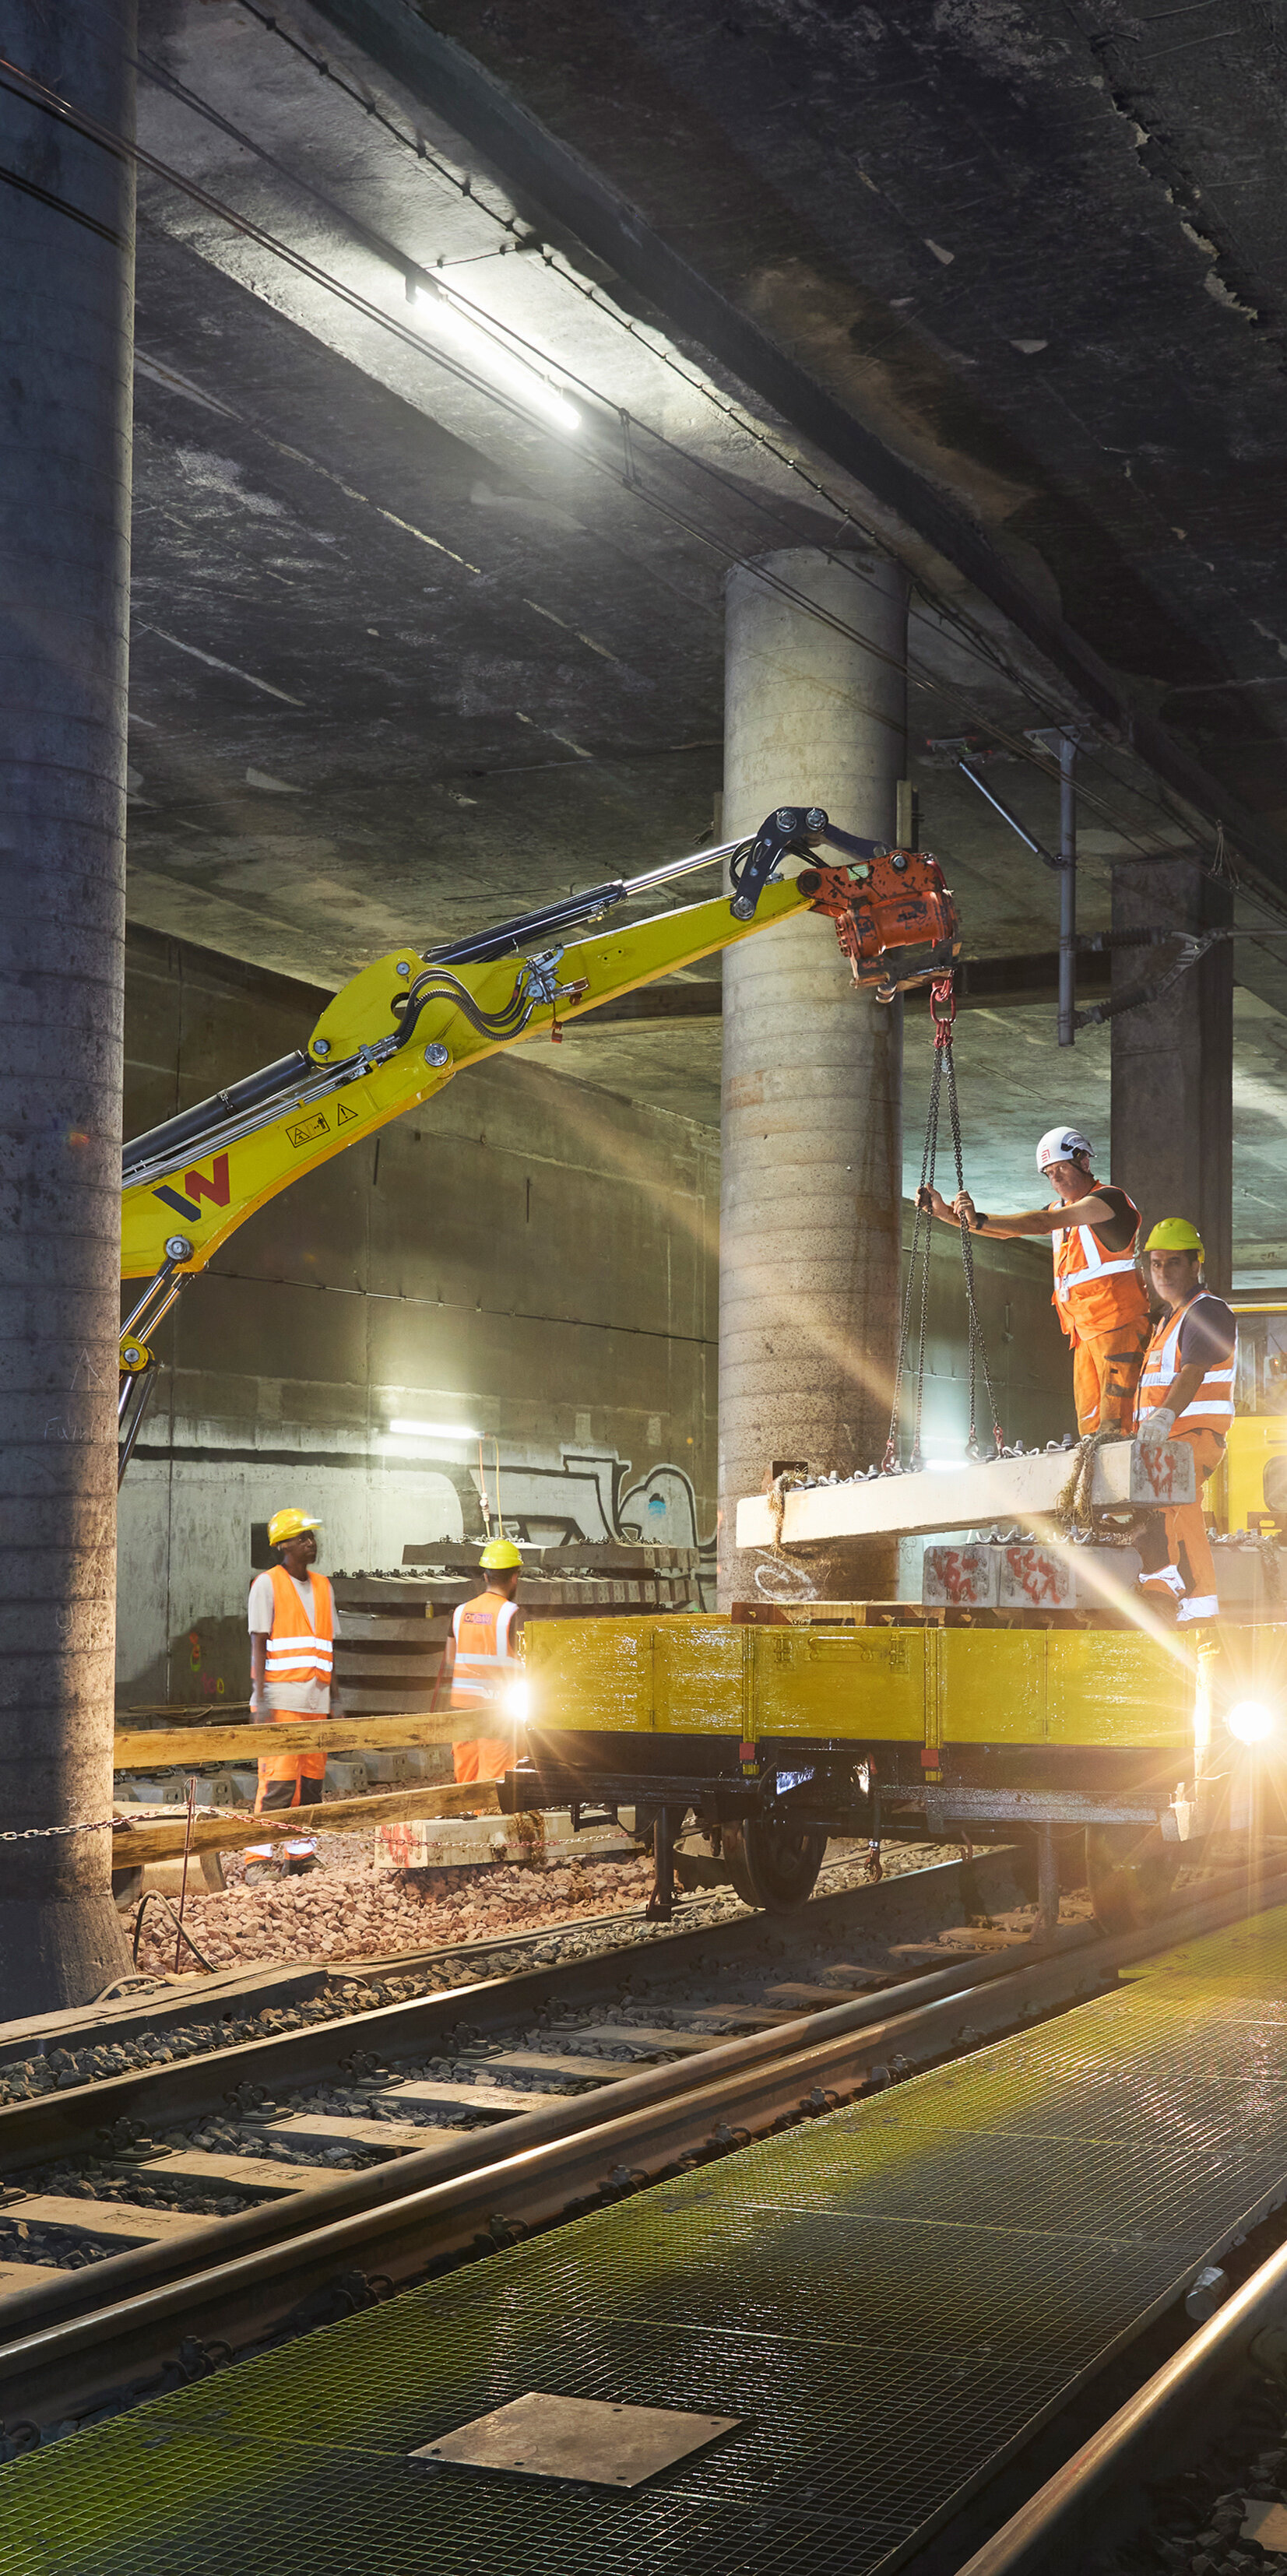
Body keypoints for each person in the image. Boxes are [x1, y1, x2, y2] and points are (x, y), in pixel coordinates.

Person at [923, 1125, 1151, 1437]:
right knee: (1091, 1428)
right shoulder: (1061, 1210)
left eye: (1060, 1168)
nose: (1055, 1178)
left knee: (1118, 1427)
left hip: (1119, 1327)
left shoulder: (1110, 1200)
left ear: (1084, 1162)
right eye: (1048, 1172)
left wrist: (978, 1219)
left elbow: (1042, 1223)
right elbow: (1010, 1231)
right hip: (1085, 1333)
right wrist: (948, 1216)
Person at [1134, 1218, 1236, 1627]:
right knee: (1160, 1515)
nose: (1162, 1272)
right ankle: (1161, 1586)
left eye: (1172, 1263)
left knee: (1182, 1509)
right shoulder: (1167, 1321)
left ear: (1196, 1265)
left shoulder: (1207, 1311)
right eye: (1155, 1263)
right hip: (1168, 1440)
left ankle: (1202, 1597)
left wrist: (1163, 1418)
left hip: (1192, 1435)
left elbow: (1192, 1372)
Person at [244, 1507, 339, 1885]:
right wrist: (260, 1697)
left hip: (317, 1700)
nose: (310, 1543)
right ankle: (256, 1860)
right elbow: (258, 1644)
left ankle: (300, 1856)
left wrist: (338, 1698)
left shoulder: (324, 1586)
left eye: (312, 1537)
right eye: (302, 1538)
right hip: (281, 1699)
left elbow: (331, 1644)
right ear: (283, 1545)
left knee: (310, 1783)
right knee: (278, 1783)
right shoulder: (266, 1584)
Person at [441, 1538, 525, 1785]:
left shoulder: (460, 1612)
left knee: (466, 1782)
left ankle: (469, 1823)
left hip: (462, 1712)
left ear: (486, 1577)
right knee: (495, 1785)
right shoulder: (511, 1614)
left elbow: (450, 1658)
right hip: (496, 1713)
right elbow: (524, 1664)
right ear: (514, 1578)